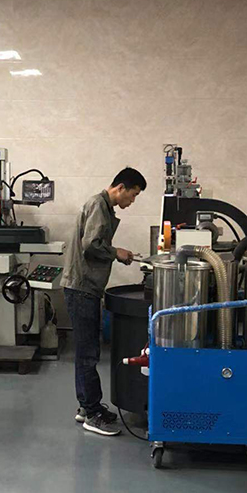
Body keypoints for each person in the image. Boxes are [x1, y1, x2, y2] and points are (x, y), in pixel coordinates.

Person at [61, 167, 147, 437]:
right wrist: (116, 252)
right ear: (120, 188)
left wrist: (116, 253)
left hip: (84, 287)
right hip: (82, 287)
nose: (132, 201)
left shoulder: (103, 207)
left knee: (86, 351)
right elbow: (90, 245)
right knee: (88, 354)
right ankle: (92, 414)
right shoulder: (98, 205)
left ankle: (87, 406)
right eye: (132, 195)